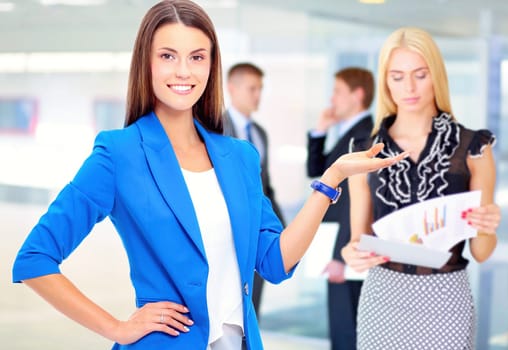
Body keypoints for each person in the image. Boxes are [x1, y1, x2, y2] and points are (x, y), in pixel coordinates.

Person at [11, 1, 407, 349]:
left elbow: (274, 261)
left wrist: (331, 179)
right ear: (146, 62)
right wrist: (117, 328)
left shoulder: (239, 157)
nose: (183, 71)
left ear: (211, 65)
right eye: (167, 56)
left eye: (197, 57)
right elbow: (34, 260)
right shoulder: (119, 153)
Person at [341, 27, 501, 349]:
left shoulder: (473, 147)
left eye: (420, 75)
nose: (409, 88)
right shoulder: (364, 150)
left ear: (436, 76)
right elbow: (357, 240)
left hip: (446, 298)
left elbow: (481, 253)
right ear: (386, 81)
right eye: (397, 77)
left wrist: (487, 226)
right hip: (382, 297)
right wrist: (351, 254)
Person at [306, 67, 374, 350]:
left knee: (348, 328)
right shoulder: (347, 132)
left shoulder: (364, 135)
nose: (332, 99)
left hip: (346, 250)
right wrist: (320, 131)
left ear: (357, 95)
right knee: (342, 325)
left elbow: (354, 200)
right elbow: (316, 171)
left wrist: (340, 257)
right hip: (336, 245)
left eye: (337, 92)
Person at [223, 62, 284, 319]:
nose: (257, 95)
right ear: (232, 89)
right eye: (251, 89)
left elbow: (266, 188)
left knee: (251, 308)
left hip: (257, 233)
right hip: (226, 233)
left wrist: (281, 227)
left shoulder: (260, 133)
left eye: (260, 89)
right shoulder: (213, 129)